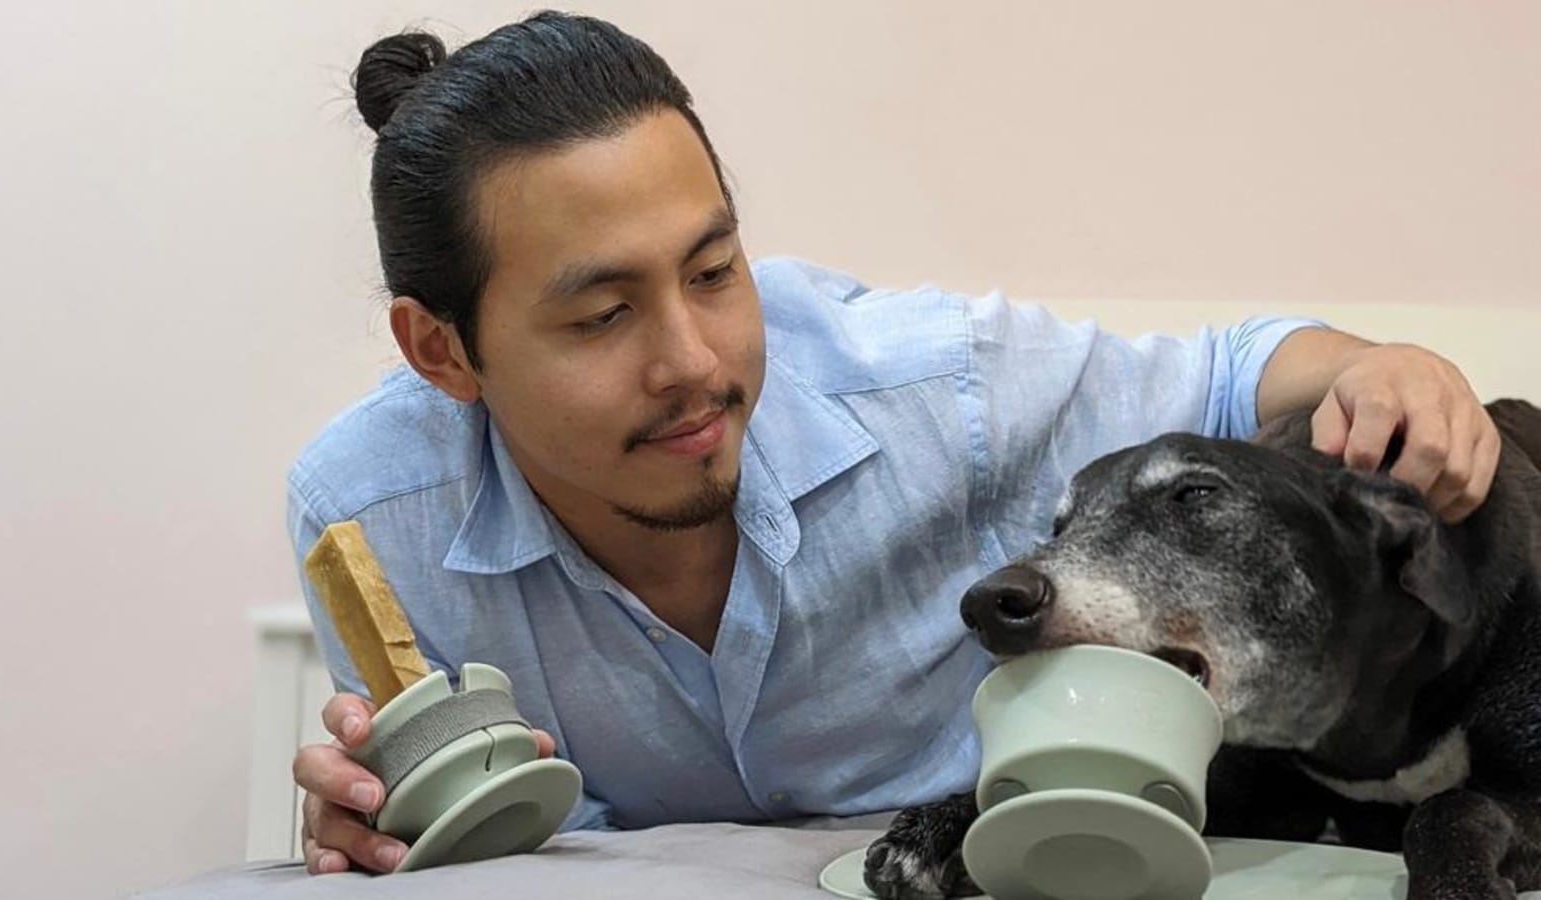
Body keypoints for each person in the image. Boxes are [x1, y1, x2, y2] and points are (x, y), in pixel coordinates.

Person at [287, 10, 1500, 876]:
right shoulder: (369, 514)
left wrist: (1384, 367)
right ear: (441, 350)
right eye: (603, 315)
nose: (695, 361)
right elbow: (517, 835)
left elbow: (1237, 371)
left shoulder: (938, 387)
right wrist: (391, 820)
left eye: (714, 272)